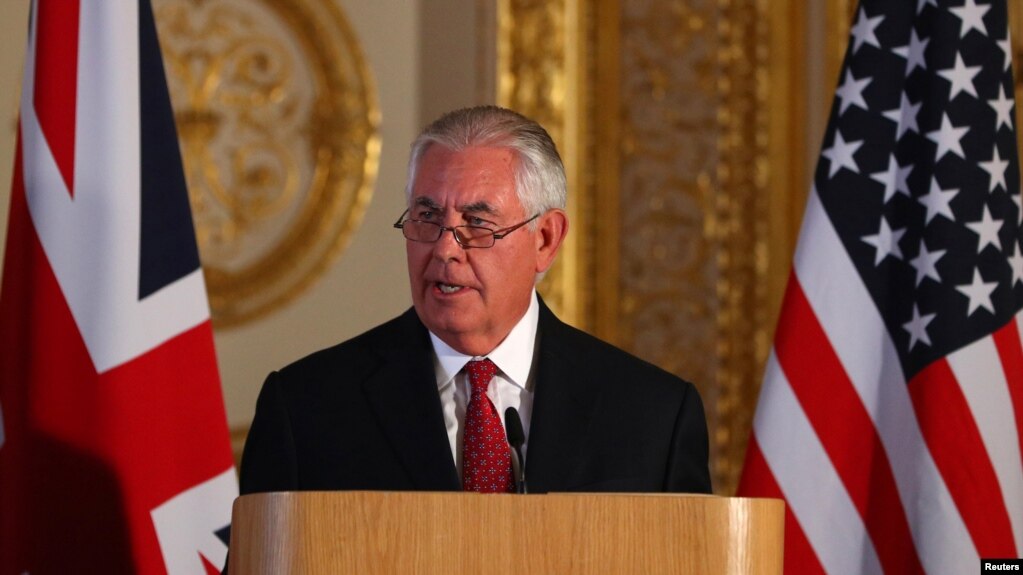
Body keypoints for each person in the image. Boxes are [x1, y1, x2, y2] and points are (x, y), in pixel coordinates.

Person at [239, 105, 711, 495]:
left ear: (545, 239)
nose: (445, 248)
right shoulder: (306, 408)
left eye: (477, 224)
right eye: (426, 217)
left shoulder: (653, 415)